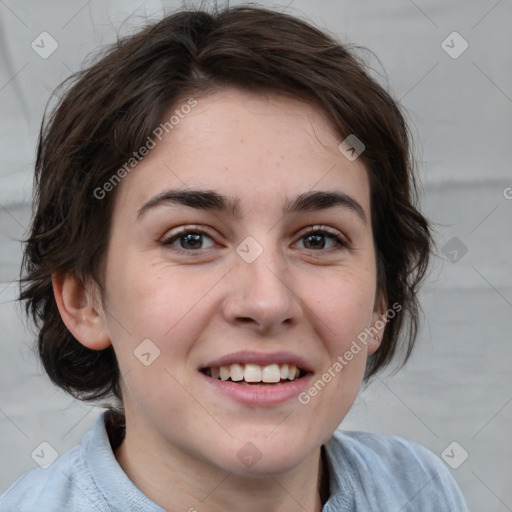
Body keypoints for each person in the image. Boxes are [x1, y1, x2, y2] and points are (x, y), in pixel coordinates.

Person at [0, 4, 469, 511]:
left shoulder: (418, 490)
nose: (267, 301)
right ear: (84, 299)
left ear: (382, 298)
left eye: (318, 239)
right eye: (191, 239)